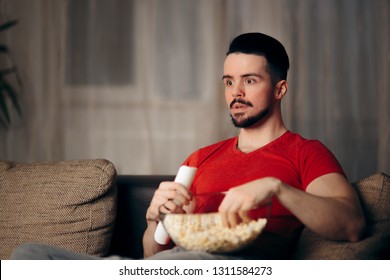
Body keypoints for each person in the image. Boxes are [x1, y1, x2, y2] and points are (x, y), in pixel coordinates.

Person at [10, 32, 366, 260]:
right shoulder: (202, 158)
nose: (235, 93)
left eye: (250, 80)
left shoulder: (304, 152)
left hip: (222, 266)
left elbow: (351, 225)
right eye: (229, 81)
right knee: (30, 256)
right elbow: (151, 256)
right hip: (167, 265)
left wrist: (276, 189)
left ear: (280, 89)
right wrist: (156, 223)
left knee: (186, 261)